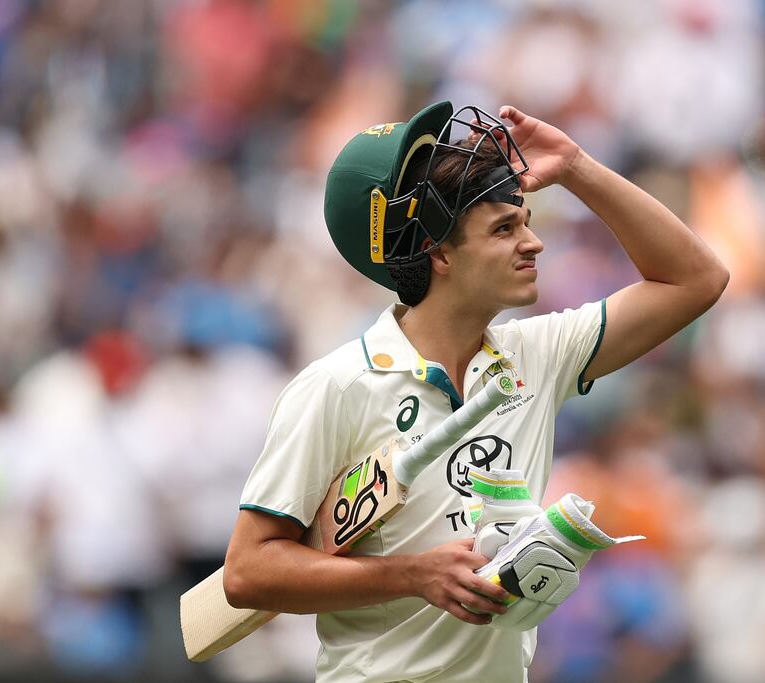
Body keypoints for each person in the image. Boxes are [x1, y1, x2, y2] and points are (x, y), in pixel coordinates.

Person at [222, 101, 728, 682]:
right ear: (439, 253)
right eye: (505, 228)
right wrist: (413, 575)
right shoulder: (338, 386)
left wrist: (576, 166)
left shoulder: (537, 356)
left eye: (527, 223)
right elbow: (247, 573)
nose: (534, 244)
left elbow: (697, 280)